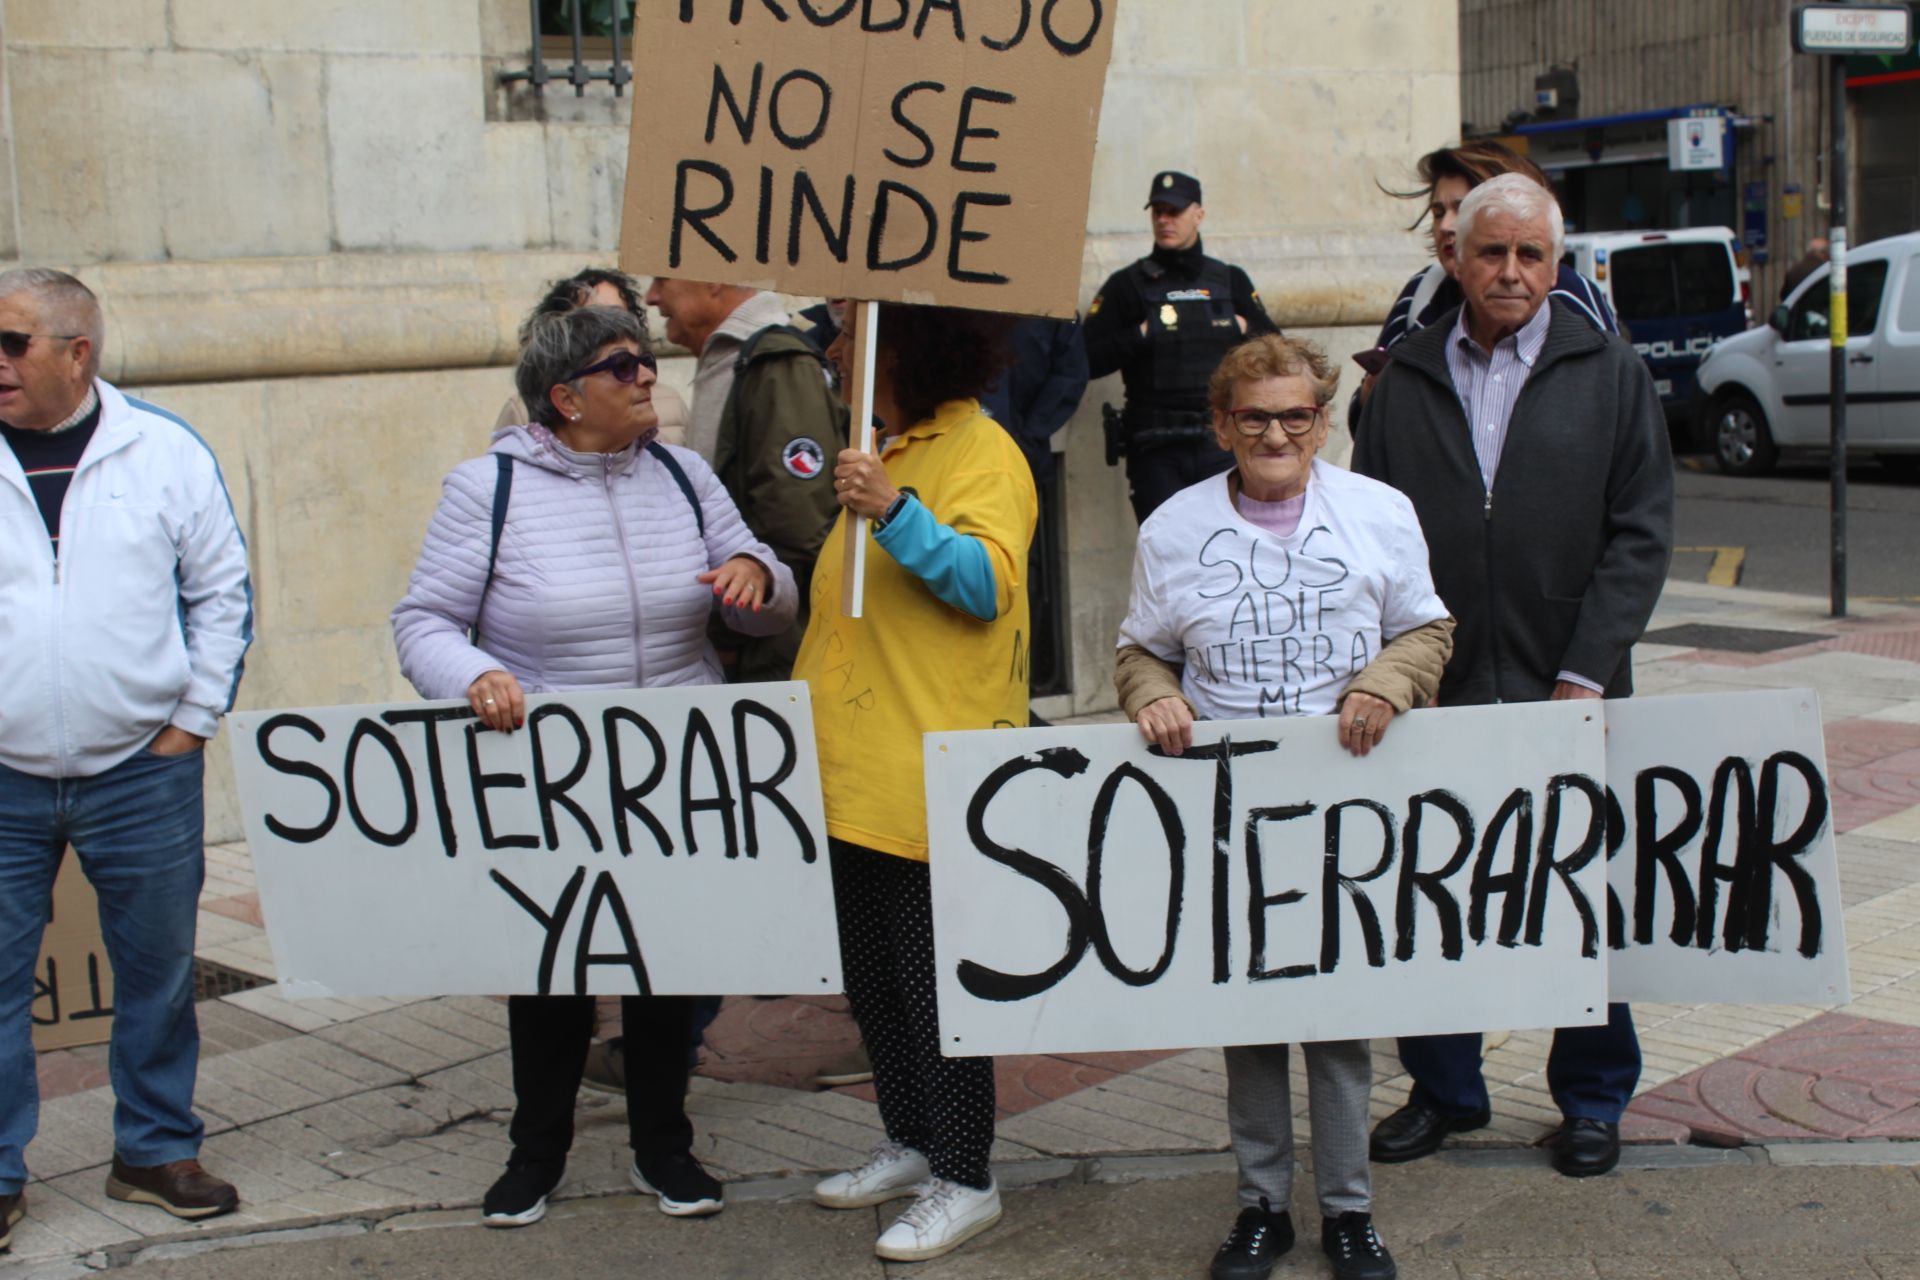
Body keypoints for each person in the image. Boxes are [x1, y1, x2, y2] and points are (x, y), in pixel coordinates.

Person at [392, 305, 796, 1228]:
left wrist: (755, 580)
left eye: (647, 361)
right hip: (550, 773)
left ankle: (667, 1149)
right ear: (566, 397)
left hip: (671, 769)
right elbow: (423, 624)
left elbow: (768, 592)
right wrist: (478, 675)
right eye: (625, 368)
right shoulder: (486, 487)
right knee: (552, 974)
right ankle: (536, 1154)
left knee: (667, 970)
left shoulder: (686, 475)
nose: (650, 377)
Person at [1354, 174, 1674, 1179]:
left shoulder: (1610, 371)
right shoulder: (1402, 377)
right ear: (1457, 256)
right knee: (1433, 888)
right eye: (1492, 252)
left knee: (1582, 894)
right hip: (1439, 685)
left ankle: (1590, 1096)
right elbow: (1368, 540)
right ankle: (1445, 1087)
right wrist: (1397, 669)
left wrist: (1589, 670)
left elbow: (1642, 532)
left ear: (1557, 263)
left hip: (1567, 685)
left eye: (1532, 255)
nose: (1511, 272)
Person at [1117, 334, 1453, 1280]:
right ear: (1222, 424)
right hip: (1231, 810)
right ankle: (1261, 1206)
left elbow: (1427, 624)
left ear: (1322, 418)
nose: (1275, 433)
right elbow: (1141, 647)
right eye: (1255, 417)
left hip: (1347, 806)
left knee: (1339, 1021)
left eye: (1295, 415)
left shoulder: (1379, 513)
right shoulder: (1172, 527)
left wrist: (1387, 683)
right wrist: (1153, 694)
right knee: (1251, 1020)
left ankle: (1351, 1212)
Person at [0, 268, 252, 1234]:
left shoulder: (164, 452)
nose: (0, 361)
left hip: (138, 773)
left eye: (14, 342)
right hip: (7, 776)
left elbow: (222, 592)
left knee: (156, 973)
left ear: (78, 352)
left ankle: (155, 1149)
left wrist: (191, 722)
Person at [796, 302, 1032, 1263]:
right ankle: (911, 1141)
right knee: (875, 985)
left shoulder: (982, 451)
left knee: (936, 993)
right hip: (850, 774)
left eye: (852, 336)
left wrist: (894, 511)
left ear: (905, 348)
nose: (837, 351)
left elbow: (984, 585)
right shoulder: (887, 445)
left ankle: (965, 1175)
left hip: (922, 775)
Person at [1352, 142, 1616, 432]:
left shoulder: (1567, 295)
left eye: (1462, 208)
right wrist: (1372, 394)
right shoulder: (1423, 291)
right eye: (1439, 212)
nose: (1446, 226)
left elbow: (1618, 412)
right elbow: (1363, 422)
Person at [1085, 170, 1279, 522]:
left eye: (1173, 211)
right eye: (1157, 211)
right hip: (1155, 445)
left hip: (1219, 440)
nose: (1164, 220)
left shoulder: (1229, 280)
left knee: (1229, 545)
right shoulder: (1127, 285)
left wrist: (1243, 326)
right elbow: (1085, 358)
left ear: (1198, 214)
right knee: (1167, 552)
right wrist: (1140, 335)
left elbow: (1276, 350)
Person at [980, 316, 1090, 703]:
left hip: (1020, 455)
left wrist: (1028, 434)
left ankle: (1017, 691)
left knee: (1019, 580)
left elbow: (1071, 369)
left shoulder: (1045, 298)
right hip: (958, 456)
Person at [496, 268, 689, 444]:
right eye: (590, 318)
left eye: (618, 316)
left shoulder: (670, 401)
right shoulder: (522, 411)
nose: (608, 327)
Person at [1779, 236, 1830, 301]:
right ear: (1823, 254)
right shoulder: (1824, 271)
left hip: (1798, 310)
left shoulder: (1794, 270)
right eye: (1827, 253)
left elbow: (1784, 295)